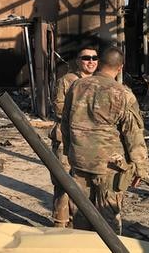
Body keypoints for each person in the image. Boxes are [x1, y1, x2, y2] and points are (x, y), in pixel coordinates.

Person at [61, 46, 149, 233]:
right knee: (108, 219)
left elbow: (65, 123)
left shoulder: (77, 86)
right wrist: (140, 168)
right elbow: (133, 134)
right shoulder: (123, 94)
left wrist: (70, 151)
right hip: (109, 168)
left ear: (99, 63)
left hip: (80, 161)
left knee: (81, 216)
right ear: (120, 67)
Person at [48, 46, 99, 227]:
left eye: (94, 57)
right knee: (63, 182)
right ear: (78, 61)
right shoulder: (67, 81)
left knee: (84, 185)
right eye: (86, 58)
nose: (91, 61)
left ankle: (78, 222)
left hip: (90, 142)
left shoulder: (100, 83)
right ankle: (60, 224)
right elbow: (59, 107)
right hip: (66, 138)